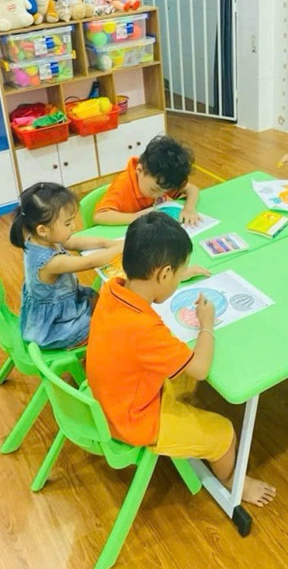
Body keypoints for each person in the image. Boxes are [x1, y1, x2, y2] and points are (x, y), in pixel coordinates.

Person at [86, 212, 277, 508]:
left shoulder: (112, 288)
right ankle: (231, 482)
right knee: (225, 434)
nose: (178, 281)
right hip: (132, 419)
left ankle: (186, 419)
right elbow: (199, 369)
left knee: (182, 376)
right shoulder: (144, 328)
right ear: (163, 274)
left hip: (111, 395)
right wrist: (206, 323)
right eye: (177, 274)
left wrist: (175, 277)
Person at [10, 182, 123, 350]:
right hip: (57, 325)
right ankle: (91, 351)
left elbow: (74, 241)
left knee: (107, 302)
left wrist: (107, 243)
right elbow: (90, 262)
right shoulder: (50, 262)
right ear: (42, 230)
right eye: (68, 223)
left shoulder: (42, 239)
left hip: (65, 303)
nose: (74, 226)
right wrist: (122, 247)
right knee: (111, 324)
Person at [93, 135, 201, 226]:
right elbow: (100, 216)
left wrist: (189, 209)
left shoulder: (164, 180)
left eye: (165, 191)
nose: (158, 195)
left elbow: (192, 189)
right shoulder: (123, 185)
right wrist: (138, 217)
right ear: (139, 170)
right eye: (154, 189)